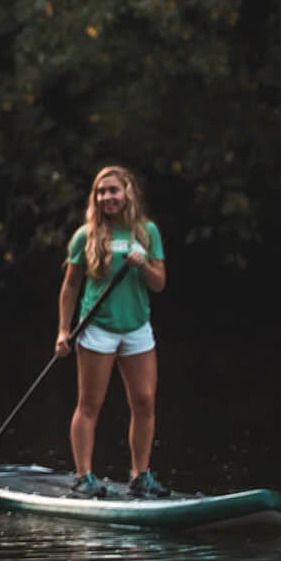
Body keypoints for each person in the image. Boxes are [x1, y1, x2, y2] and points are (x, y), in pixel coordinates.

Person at [55, 165, 169, 498]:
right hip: (97, 328)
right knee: (90, 403)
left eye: (113, 190)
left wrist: (142, 264)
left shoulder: (147, 232)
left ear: (127, 192)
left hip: (136, 327)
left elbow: (159, 284)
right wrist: (63, 331)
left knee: (145, 402)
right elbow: (71, 284)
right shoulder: (86, 235)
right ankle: (83, 476)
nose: (107, 197)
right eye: (101, 192)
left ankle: (140, 475)